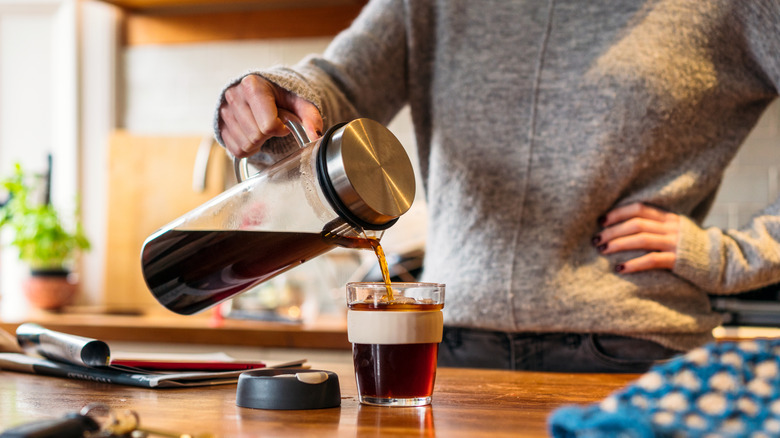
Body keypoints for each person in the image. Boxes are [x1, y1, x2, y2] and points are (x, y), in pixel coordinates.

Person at [213, 0, 780, 372]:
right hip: (452, 346)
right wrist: (278, 97)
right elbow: (335, 85)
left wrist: (728, 257)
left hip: (631, 350)